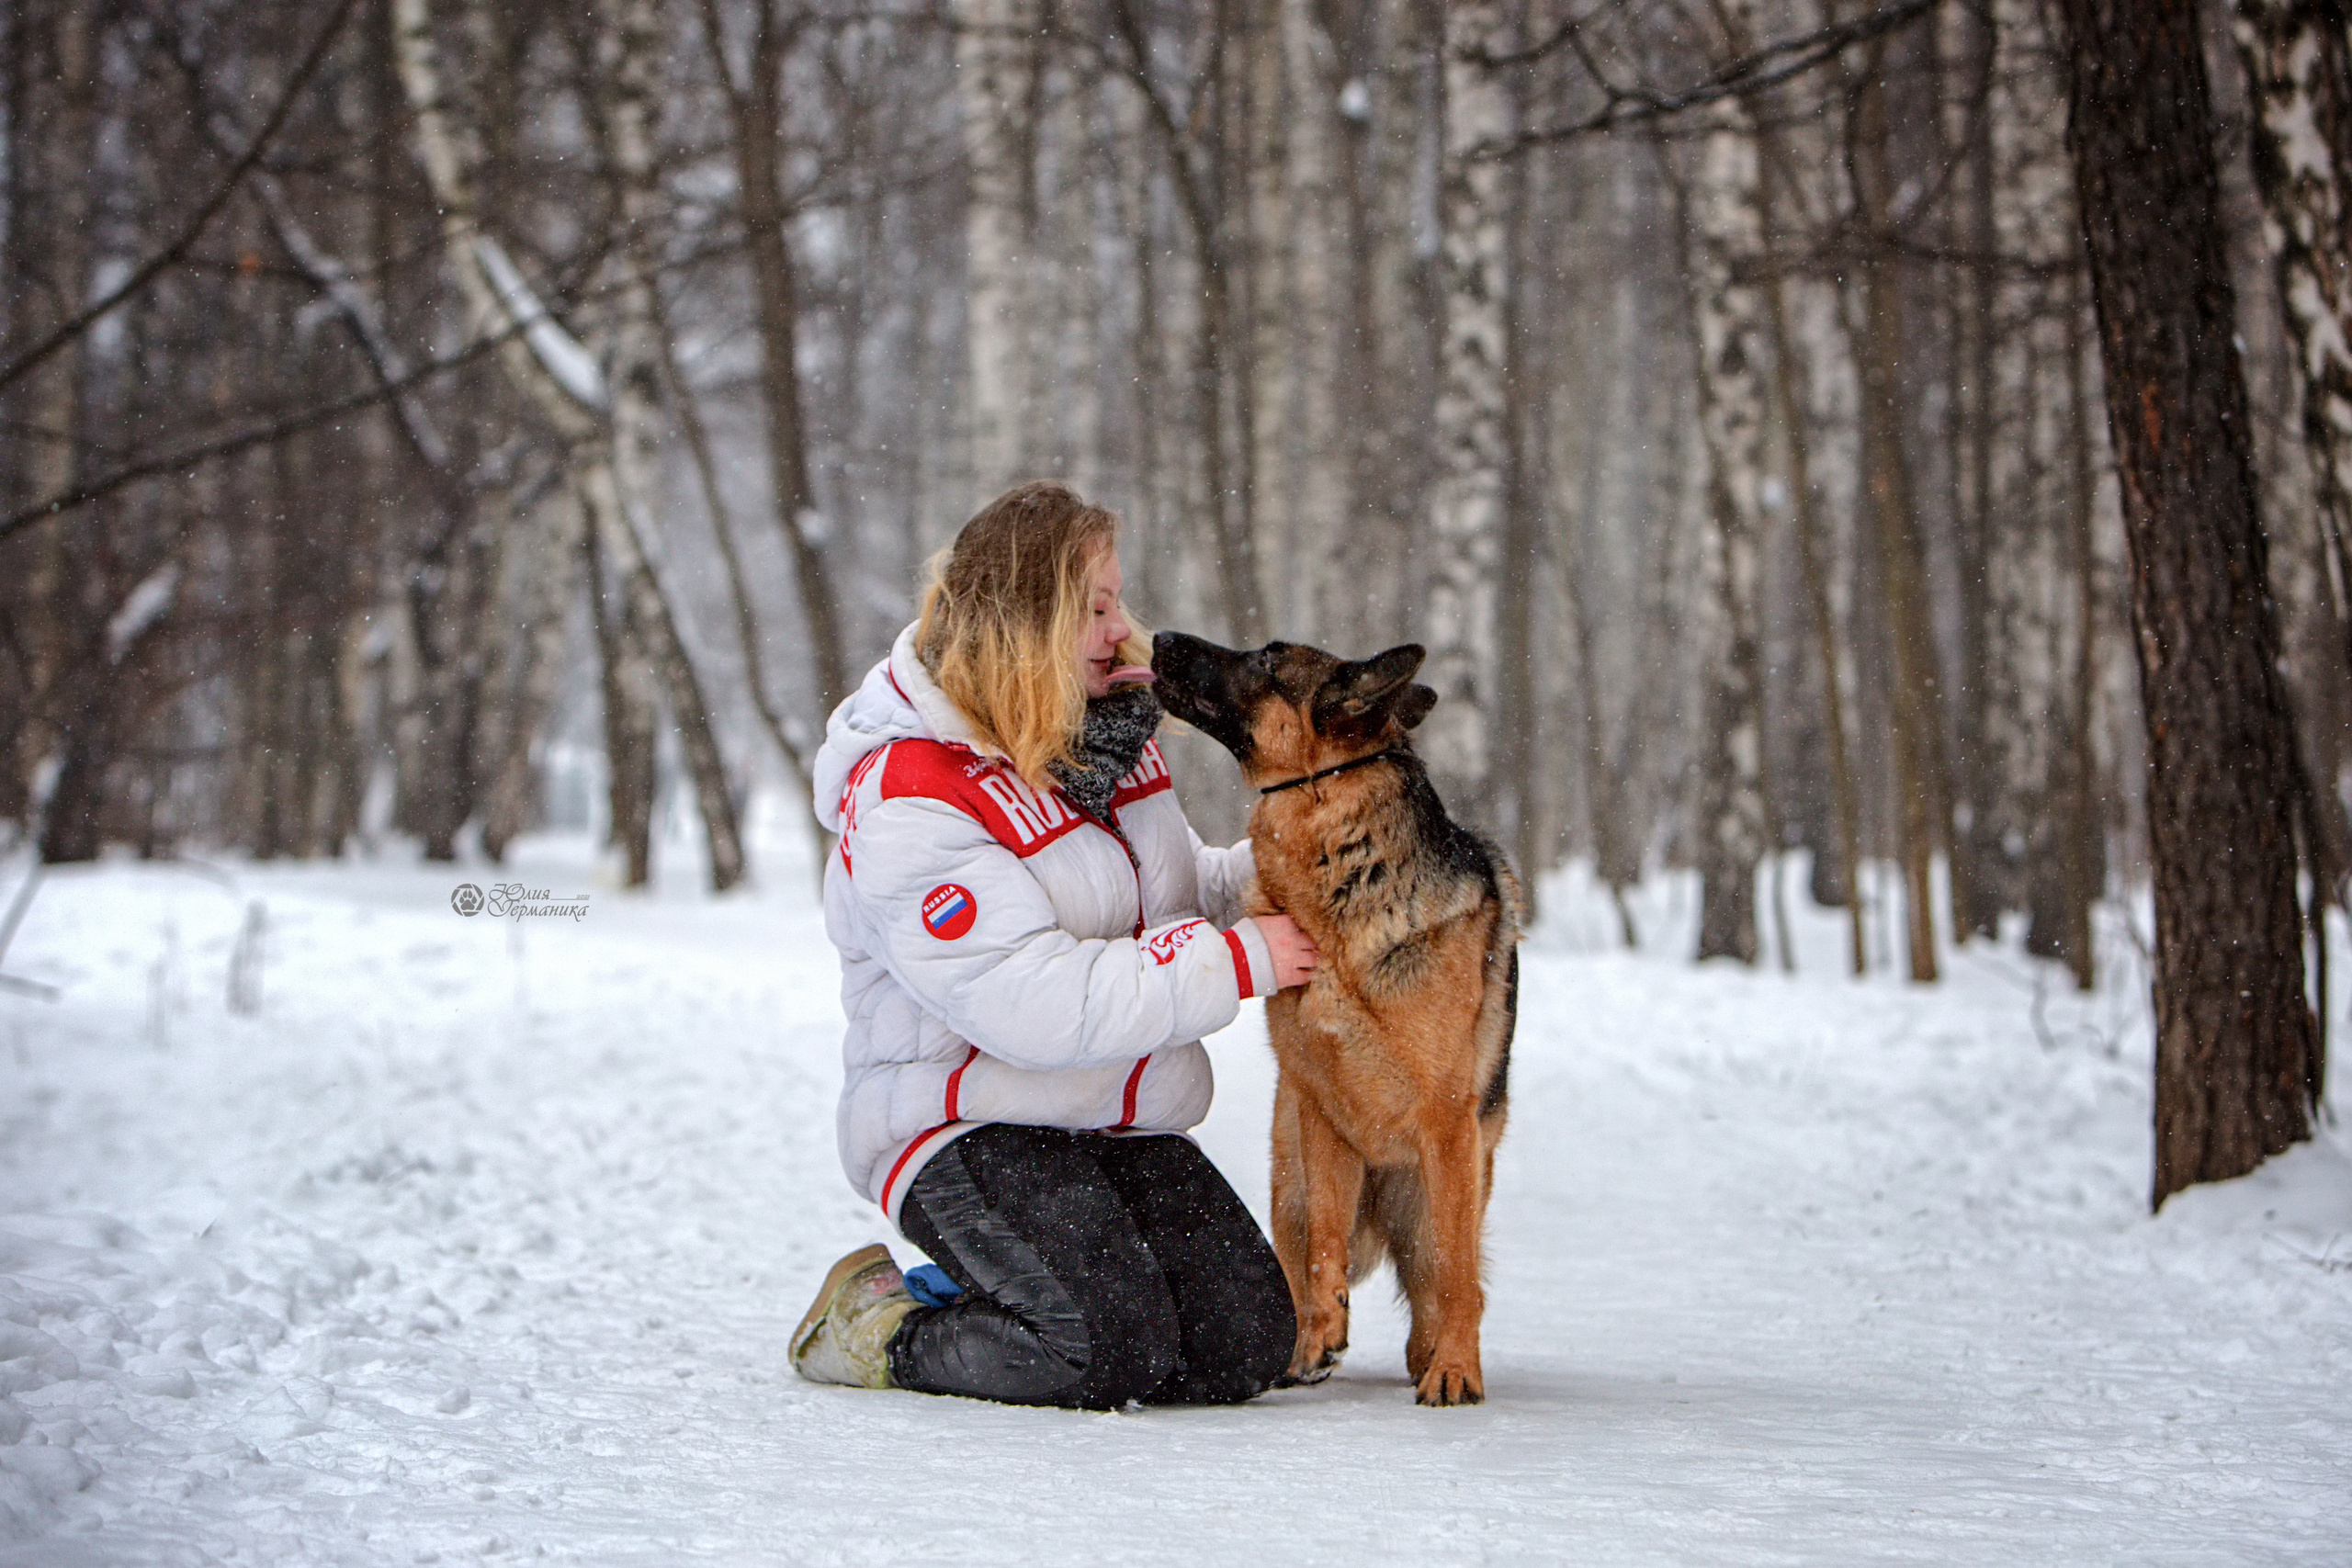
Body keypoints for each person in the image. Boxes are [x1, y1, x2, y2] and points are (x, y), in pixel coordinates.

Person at [790, 480, 1318, 1410]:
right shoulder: (911, 793)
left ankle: (1022, 1279)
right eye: (1096, 608)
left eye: (1118, 600)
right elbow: (1030, 1001)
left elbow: (1179, 891)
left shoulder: (1103, 743)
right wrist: (1240, 962)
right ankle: (878, 1328)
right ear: (1024, 623)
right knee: (1099, 1347)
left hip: (1103, 1117)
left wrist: (1301, 875)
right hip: (961, 1124)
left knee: (1241, 1345)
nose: (1124, 629)